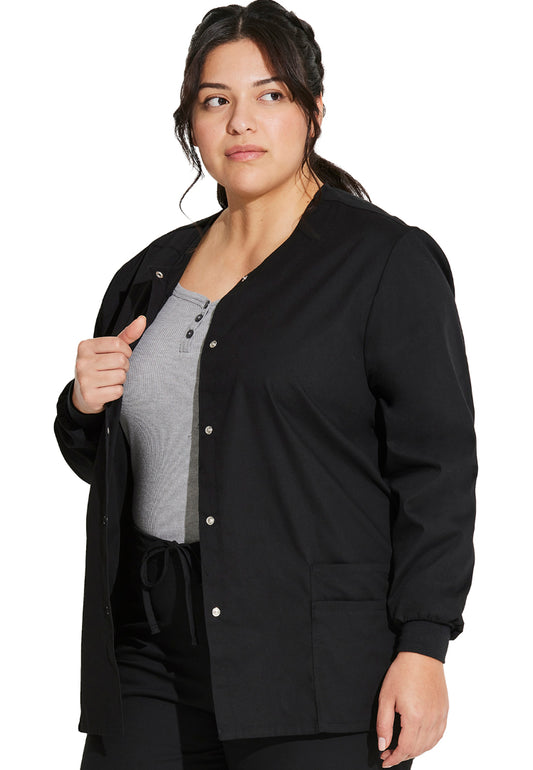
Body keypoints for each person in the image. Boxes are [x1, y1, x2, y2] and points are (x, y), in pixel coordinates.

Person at [54, 1, 478, 768]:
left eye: (270, 95)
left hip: (312, 659)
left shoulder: (383, 263)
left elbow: (436, 469)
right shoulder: (151, 272)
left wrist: (423, 644)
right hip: (148, 650)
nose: (241, 122)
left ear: (313, 111)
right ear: (190, 124)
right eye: (215, 100)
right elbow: (121, 460)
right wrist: (84, 406)